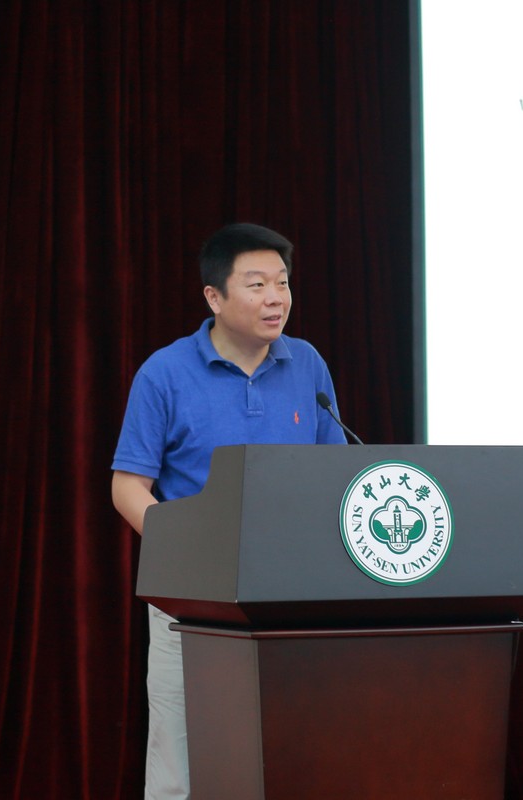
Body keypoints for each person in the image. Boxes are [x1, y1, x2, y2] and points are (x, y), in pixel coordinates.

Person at [110, 222, 348, 799]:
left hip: (291, 592)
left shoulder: (307, 364)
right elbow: (128, 486)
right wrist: (185, 550)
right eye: (257, 284)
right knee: (182, 754)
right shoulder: (165, 373)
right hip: (191, 597)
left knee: (290, 745)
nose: (276, 298)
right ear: (214, 297)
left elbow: (334, 472)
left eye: (283, 283)